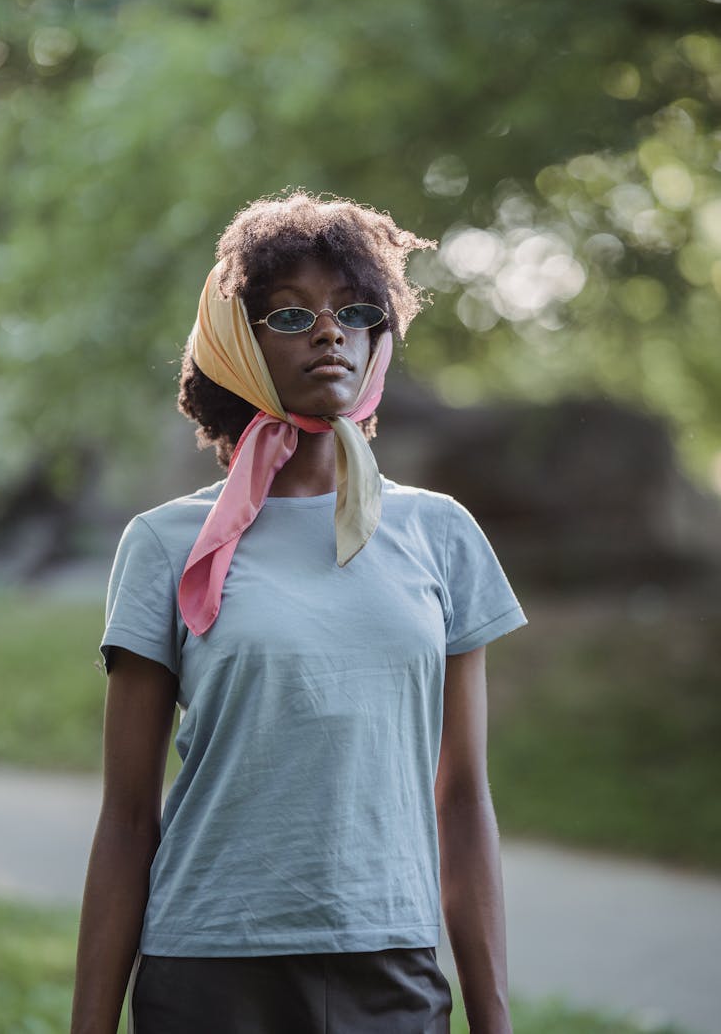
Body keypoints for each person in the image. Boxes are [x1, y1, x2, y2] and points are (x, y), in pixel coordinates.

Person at [71, 190, 526, 1034]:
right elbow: (129, 816)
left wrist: (494, 1020)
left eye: (355, 311)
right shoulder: (166, 543)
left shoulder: (442, 533)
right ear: (237, 344)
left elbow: (462, 799)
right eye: (291, 315)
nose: (330, 331)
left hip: (391, 965)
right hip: (209, 969)